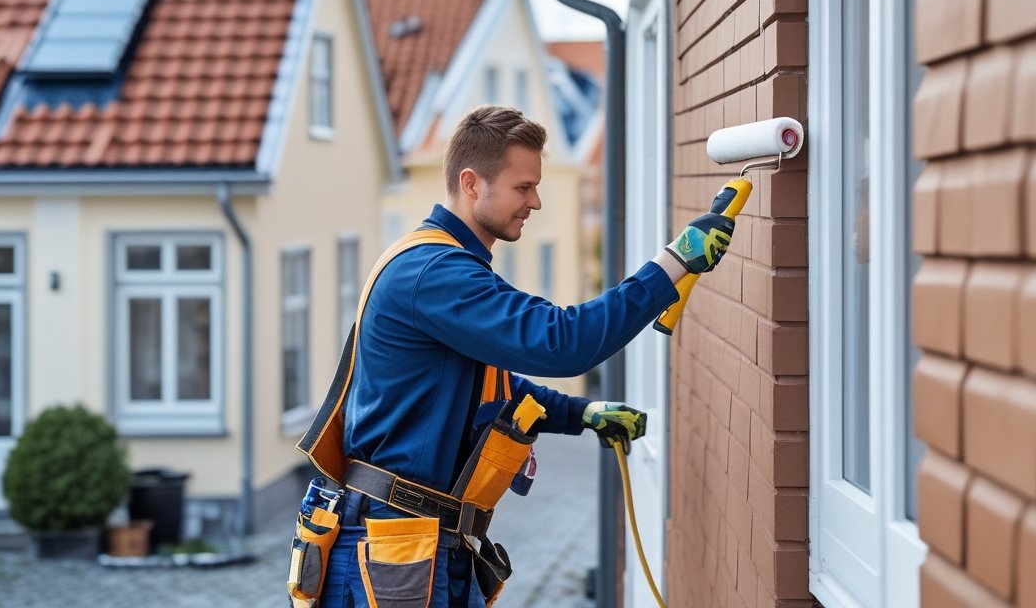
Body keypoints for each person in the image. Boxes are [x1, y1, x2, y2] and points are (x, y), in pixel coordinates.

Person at [310, 105, 733, 608]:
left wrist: (582, 414)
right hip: (394, 546)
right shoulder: (434, 273)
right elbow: (563, 341)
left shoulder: (450, 265)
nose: (534, 201)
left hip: (420, 541)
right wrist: (674, 263)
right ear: (471, 183)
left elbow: (489, 386)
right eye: (522, 187)